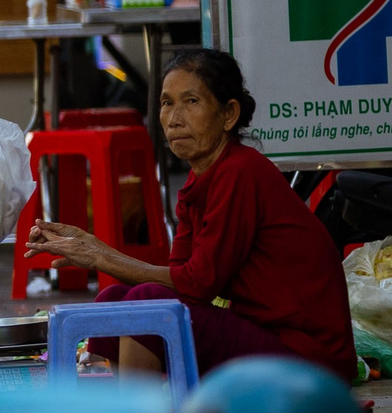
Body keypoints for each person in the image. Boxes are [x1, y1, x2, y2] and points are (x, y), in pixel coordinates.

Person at [27, 47, 355, 380]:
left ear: (228, 114)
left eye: (192, 102)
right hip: (264, 334)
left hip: (309, 356)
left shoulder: (240, 172)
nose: (174, 118)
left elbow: (198, 284)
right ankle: (115, 408)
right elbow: (178, 277)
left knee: (147, 303)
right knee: (116, 297)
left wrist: (99, 256)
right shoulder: (201, 175)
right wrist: (96, 248)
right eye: (167, 103)